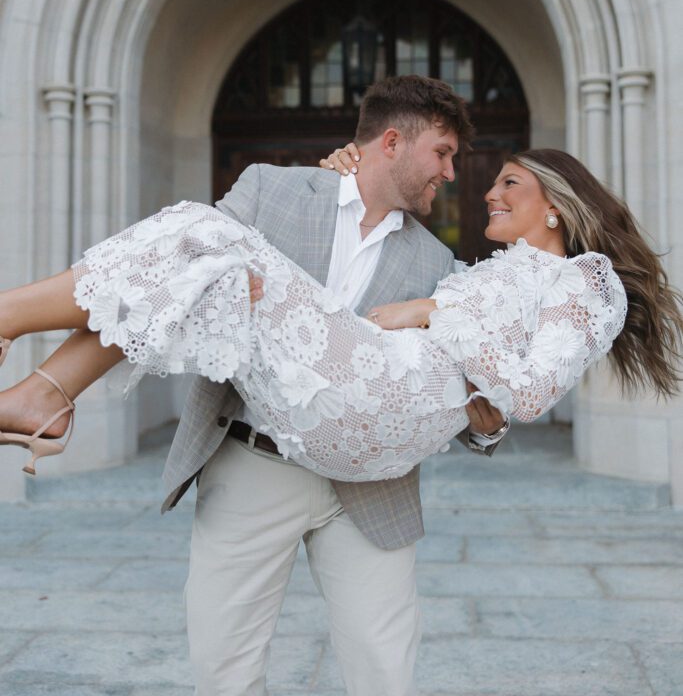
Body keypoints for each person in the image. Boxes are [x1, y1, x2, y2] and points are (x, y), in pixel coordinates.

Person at [0, 105, 682, 696]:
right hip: (262, 452)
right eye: (443, 154)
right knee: (205, 253)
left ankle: (24, 352)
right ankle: (43, 391)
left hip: (373, 445)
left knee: (382, 668)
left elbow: (520, 389)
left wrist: (430, 315)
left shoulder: (552, 279)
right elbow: (174, 287)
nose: (465, 182)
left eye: (504, 181)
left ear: (557, 204)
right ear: (392, 142)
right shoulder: (289, 191)